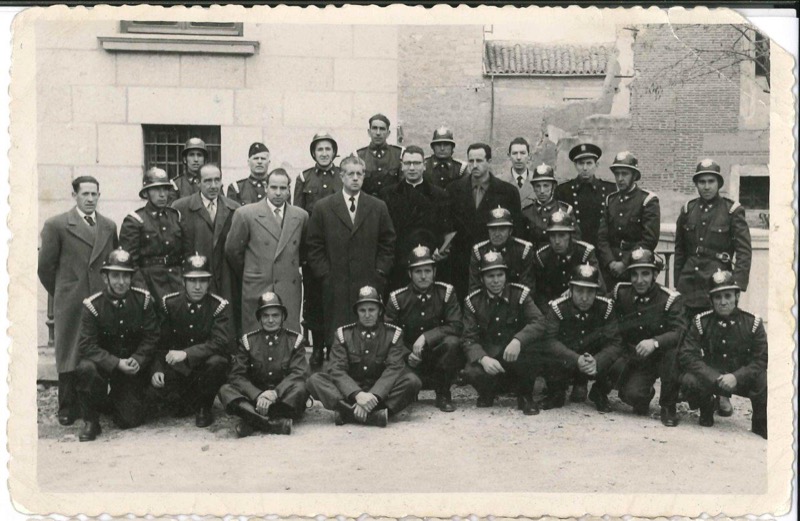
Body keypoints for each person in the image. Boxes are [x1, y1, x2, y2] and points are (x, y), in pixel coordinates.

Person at [38, 176, 119, 426]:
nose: (90, 199)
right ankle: (67, 406)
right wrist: (65, 290)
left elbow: (113, 262)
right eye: (85, 194)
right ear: (74, 196)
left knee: (98, 349)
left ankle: (96, 403)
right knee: (69, 352)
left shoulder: (108, 226)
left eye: (94, 194)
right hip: (71, 301)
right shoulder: (57, 225)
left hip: (100, 299)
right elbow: (45, 268)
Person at [306, 154, 396, 345]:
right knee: (338, 333)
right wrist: (325, 274)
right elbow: (314, 245)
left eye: (359, 174)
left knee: (367, 331)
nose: (355, 178)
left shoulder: (377, 206)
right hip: (336, 282)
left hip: (368, 281)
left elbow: (388, 242)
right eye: (351, 174)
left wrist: (380, 271)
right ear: (341, 176)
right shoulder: (324, 207)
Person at [74, 248, 159, 442]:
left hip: (131, 368)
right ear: (105, 277)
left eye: (126, 276)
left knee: (129, 420)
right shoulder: (93, 305)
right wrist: (115, 362)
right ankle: (91, 421)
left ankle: (114, 401)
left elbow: (152, 335)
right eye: (116, 276)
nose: (121, 282)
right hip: (105, 367)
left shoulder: (143, 300)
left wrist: (138, 358)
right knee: (86, 368)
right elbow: (87, 345)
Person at [306, 286, 422, 427]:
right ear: (357, 312)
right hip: (351, 390)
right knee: (315, 380)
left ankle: (348, 413)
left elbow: (394, 368)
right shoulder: (343, 334)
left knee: (412, 381)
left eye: (372, 310)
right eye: (362, 310)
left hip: (380, 391)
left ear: (380, 311)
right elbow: (337, 370)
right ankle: (375, 416)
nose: (367, 315)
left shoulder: (393, 334)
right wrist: (357, 394)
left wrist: (374, 395)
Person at [597, 248, 685, 426]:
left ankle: (668, 406)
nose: (639, 280)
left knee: (672, 353)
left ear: (655, 274)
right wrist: (573, 293)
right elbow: (600, 307)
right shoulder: (621, 291)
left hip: (658, 357)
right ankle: (640, 393)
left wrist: (655, 342)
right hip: (632, 355)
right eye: (634, 274)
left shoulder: (669, 299)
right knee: (633, 396)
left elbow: (680, 331)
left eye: (645, 274)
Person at [678, 270, 767, 439]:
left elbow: (761, 359)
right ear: (711, 300)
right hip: (713, 378)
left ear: (736, 297)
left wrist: (737, 376)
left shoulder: (752, 323)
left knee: (763, 380)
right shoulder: (701, 321)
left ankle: (760, 424)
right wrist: (714, 376)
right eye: (717, 298)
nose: (723, 302)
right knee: (689, 380)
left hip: (740, 378)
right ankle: (707, 406)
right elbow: (687, 354)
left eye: (728, 296)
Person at [150, 254, 232, 428]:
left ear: (209, 282)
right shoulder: (170, 303)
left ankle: (204, 407)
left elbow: (220, 342)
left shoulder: (218, 306)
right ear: (183, 281)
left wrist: (187, 353)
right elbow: (160, 341)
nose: (197, 287)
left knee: (218, 362)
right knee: (165, 405)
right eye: (192, 281)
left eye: (202, 281)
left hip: (205, 369)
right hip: (180, 371)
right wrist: (157, 368)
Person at [225, 168, 308, 334]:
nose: (278, 193)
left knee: (288, 336)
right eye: (274, 187)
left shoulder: (301, 216)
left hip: (288, 287)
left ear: (289, 190)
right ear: (266, 187)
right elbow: (232, 251)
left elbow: (303, 252)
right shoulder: (246, 214)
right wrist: (254, 270)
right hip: (258, 286)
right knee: (256, 336)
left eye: (283, 188)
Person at [461, 252, 545, 415]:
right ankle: (487, 393)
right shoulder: (473, 301)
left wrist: (518, 340)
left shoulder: (519, 294)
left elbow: (539, 322)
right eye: (490, 276)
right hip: (490, 356)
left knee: (533, 352)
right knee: (472, 371)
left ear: (506, 275)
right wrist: (482, 358)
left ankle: (525, 396)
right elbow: (468, 337)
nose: (496, 280)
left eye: (500, 275)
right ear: (482, 278)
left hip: (514, 355)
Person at [219, 292, 310, 437]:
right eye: (265, 315)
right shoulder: (248, 341)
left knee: (301, 388)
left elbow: (299, 373)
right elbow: (237, 375)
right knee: (225, 390)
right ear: (259, 318)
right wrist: (258, 395)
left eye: (275, 315)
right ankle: (273, 424)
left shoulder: (294, 340)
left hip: (282, 397)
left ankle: (252, 420)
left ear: (283, 317)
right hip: (255, 398)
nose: (270, 320)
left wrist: (275, 393)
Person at [385, 246, 464, 412]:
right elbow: (388, 334)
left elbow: (456, 325)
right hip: (409, 357)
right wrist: (407, 354)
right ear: (409, 274)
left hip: (436, 354)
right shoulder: (397, 298)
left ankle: (443, 393)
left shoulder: (446, 293)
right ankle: (408, 393)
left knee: (452, 343)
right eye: (417, 271)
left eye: (427, 271)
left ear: (434, 272)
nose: (423, 276)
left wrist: (426, 337)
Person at [540, 263, 623, 412]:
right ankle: (556, 391)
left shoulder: (606, 308)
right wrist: (575, 359)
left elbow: (615, 343)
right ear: (570, 289)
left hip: (594, 359)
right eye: (579, 291)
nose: (584, 298)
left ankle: (599, 392)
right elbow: (549, 341)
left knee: (619, 360)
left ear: (597, 292)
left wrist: (597, 361)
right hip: (568, 359)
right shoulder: (558, 307)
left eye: (590, 292)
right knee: (547, 352)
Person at [446, 142, 522, 301]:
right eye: (471, 161)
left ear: (489, 162)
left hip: (496, 262)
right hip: (462, 263)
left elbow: (517, 231)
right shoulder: (454, 190)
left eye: (479, 161)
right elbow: (448, 226)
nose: (474, 165)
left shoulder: (508, 192)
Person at [674, 158, 752, 315]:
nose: (706, 186)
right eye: (702, 182)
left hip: (718, 283)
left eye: (711, 181)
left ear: (719, 184)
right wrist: (678, 280)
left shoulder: (732, 211)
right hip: (689, 283)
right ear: (696, 184)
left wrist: (736, 285)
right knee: (686, 331)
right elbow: (680, 249)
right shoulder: (688, 210)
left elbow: (744, 251)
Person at [293, 132, 343, 368]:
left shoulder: (342, 177)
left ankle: (334, 347)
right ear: (313, 153)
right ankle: (318, 348)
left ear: (334, 152)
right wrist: (303, 255)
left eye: (328, 149)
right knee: (314, 301)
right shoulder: (304, 178)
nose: (324, 153)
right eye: (319, 149)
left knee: (335, 299)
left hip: (338, 248)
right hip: (313, 250)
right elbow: (299, 217)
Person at [380, 145, 451, 290]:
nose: (412, 168)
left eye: (417, 163)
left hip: (429, 265)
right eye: (407, 163)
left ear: (424, 166)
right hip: (398, 265)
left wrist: (441, 250)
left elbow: (447, 230)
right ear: (402, 166)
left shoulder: (439, 195)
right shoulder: (387, 195)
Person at [172, 164, 240, 305]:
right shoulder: (181, 208)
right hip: (194, 281)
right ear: (198, 183)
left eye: (217, 180)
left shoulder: (234, 209)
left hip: (225, 282)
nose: (214, 185)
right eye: (208, 181)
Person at [120, 167, 184, 306]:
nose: (162, 195)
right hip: (149, 283)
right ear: (146, 193)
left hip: (176, 281)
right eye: (156, 189)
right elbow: (130, 263)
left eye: (165, 189)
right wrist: (142, 291)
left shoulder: (175, 216)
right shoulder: (135, 220)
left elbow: (184, 253)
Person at [597, 151, 661, 288]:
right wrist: (610, 262)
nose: (620, 178)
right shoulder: (610, 200)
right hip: (610, 269)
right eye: (617, 174)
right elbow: (602, 237)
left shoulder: (647, 200)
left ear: (634, 176)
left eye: (624, 174)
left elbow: (649, 240)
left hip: (636, 268)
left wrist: (625, 263)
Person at [532, 210, 603, 313]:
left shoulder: (584, 252)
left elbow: (600, 288)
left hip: (582, 307)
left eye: (562, 235)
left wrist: (575, 291)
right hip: (553, 309)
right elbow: (539, 293)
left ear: (570, 235)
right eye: (552, 236)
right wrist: (550, 311)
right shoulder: (542, 256)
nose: (557, 241)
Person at [555, 143, 616, 248]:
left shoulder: (609, 189)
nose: (585, 168)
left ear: (596, 165)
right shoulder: (563, 190)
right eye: (581, 163)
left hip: (602, 248)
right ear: (575, 165)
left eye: (589, 163)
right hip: (574, 247)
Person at [468, 206, 535, 292]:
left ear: (510, 231)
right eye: (492, 229)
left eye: (502, 229)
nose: (496, 234)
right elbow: (474, 289)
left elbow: (527, 288)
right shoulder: (479, 251)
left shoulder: (523, 250)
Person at [522, 163, 579, 248]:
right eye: (538, 186)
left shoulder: (565, 210)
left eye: (546, 186)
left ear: (553, 186)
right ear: (533, 188)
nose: (542, 191)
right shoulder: (526, 213)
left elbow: (575, 240)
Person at [357, 113, 404, 196]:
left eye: (382, 129)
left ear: (388, 133)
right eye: (374, 128)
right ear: (369, 132)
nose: (378, 133)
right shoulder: (359, 155)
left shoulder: (398, 154)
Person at [496, 137, 537, 216]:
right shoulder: (499, 181)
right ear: (509, 156)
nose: (518, 157)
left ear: (529, 156)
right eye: (515, 153)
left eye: (522, 153)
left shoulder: (536, 180)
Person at [168, 137, 207, 203]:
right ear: (185, 159)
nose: (196, 159)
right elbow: (172, 210)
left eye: (199, 155)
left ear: (205, 160)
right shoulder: (176, 185)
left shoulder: (212, 182)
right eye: (191, 155)